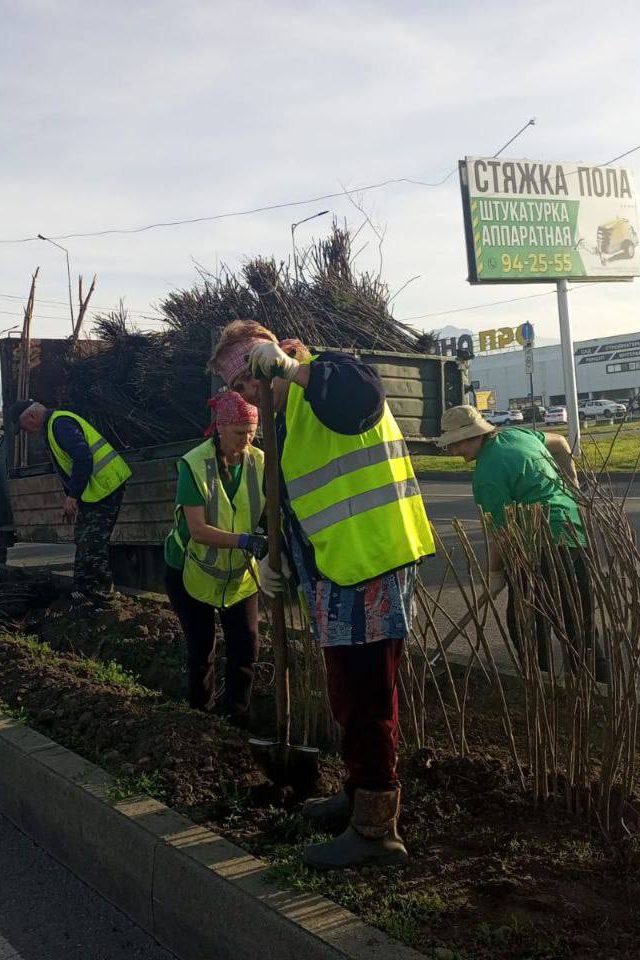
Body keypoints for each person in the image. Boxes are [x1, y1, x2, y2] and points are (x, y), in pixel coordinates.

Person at [210, 319, 435, 870]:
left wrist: (293, 368)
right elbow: (299, 500)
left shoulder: (329, 379)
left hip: (371, 564)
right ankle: (359, 795)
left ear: (264, 364)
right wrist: (272, 557)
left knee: (367, 698)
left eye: (242, 385)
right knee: (346, 692)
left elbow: (364, 392)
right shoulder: (288, 422)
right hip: (339, 572)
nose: (242, 400)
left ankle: (377, 831)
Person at [434, 405, 610, 683]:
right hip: (574, 535)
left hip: (536, 548)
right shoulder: (518, 436)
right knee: (580, 623)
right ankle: (600, 692)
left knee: (526, 623)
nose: (455, 452)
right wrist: (572, 484)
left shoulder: (486, 475)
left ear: (474, 437)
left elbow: (502, 534)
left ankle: (541, 686)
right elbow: (562, 443)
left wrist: (494, 575)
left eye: (456, 445)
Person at [164, 391, 268, 726]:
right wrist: (244, 540)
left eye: (252, 432)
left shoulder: (261, 461)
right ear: (220, 428)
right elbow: (198, 530)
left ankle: (237, 718)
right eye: (240, 433)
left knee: (246, 646)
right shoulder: (194, 465)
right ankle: (200, 716)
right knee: (202, 647)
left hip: (238, 574)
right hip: (191, 570)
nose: (247, 440)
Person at [7, 399, 131, 603]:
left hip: (106, 487)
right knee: (83, 540)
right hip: (96, 491)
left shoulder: (60, 424)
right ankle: (84, 590)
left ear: (31, 416)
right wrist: (73, 498)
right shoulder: (55, 425)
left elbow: (83, 457)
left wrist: (73, 495)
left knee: (93, 544)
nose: (27, 433)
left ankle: (104, 596)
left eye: (24, 428)